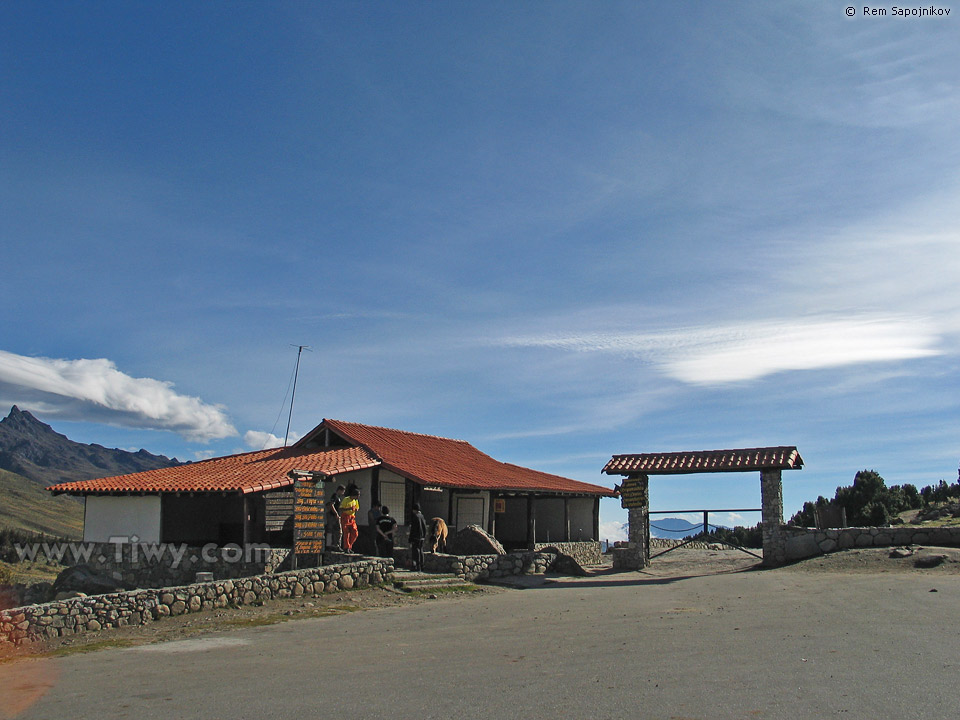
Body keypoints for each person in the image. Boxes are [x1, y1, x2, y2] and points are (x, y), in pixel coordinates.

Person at [339, 485, 361, 553]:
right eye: (358, 495)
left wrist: (356, 509)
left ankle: (349, 546)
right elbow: (341, 508)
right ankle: (346, 548)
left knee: (355, 533)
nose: (358, 497)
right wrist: (349, 508)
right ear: (354, 495)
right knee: (346, 533)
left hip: (352, 517)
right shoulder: (346, 499)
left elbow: (357, 507)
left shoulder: (355, 501)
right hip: (345, 517)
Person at [325, 485, 345, 551]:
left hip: (336, 515)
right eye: (342, 491)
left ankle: (336, 544)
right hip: (332, 515)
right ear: (340, 490)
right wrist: (336, 513)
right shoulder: (334, 496)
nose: (343, 493)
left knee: (338, 531)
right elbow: (331, 504)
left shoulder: (338, 498)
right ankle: (329, 545)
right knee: (331, 530)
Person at [408, 502, 427, 571]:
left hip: (416, 537)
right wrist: (424, 535)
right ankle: (422, 565)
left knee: (416, 552)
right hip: (422, 537)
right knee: (421, 551)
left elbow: (413, 529)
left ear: (414, 510)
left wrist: (410, 538)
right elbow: (424, 527)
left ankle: (416, 566)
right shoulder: (422, 516)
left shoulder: (415, 517)